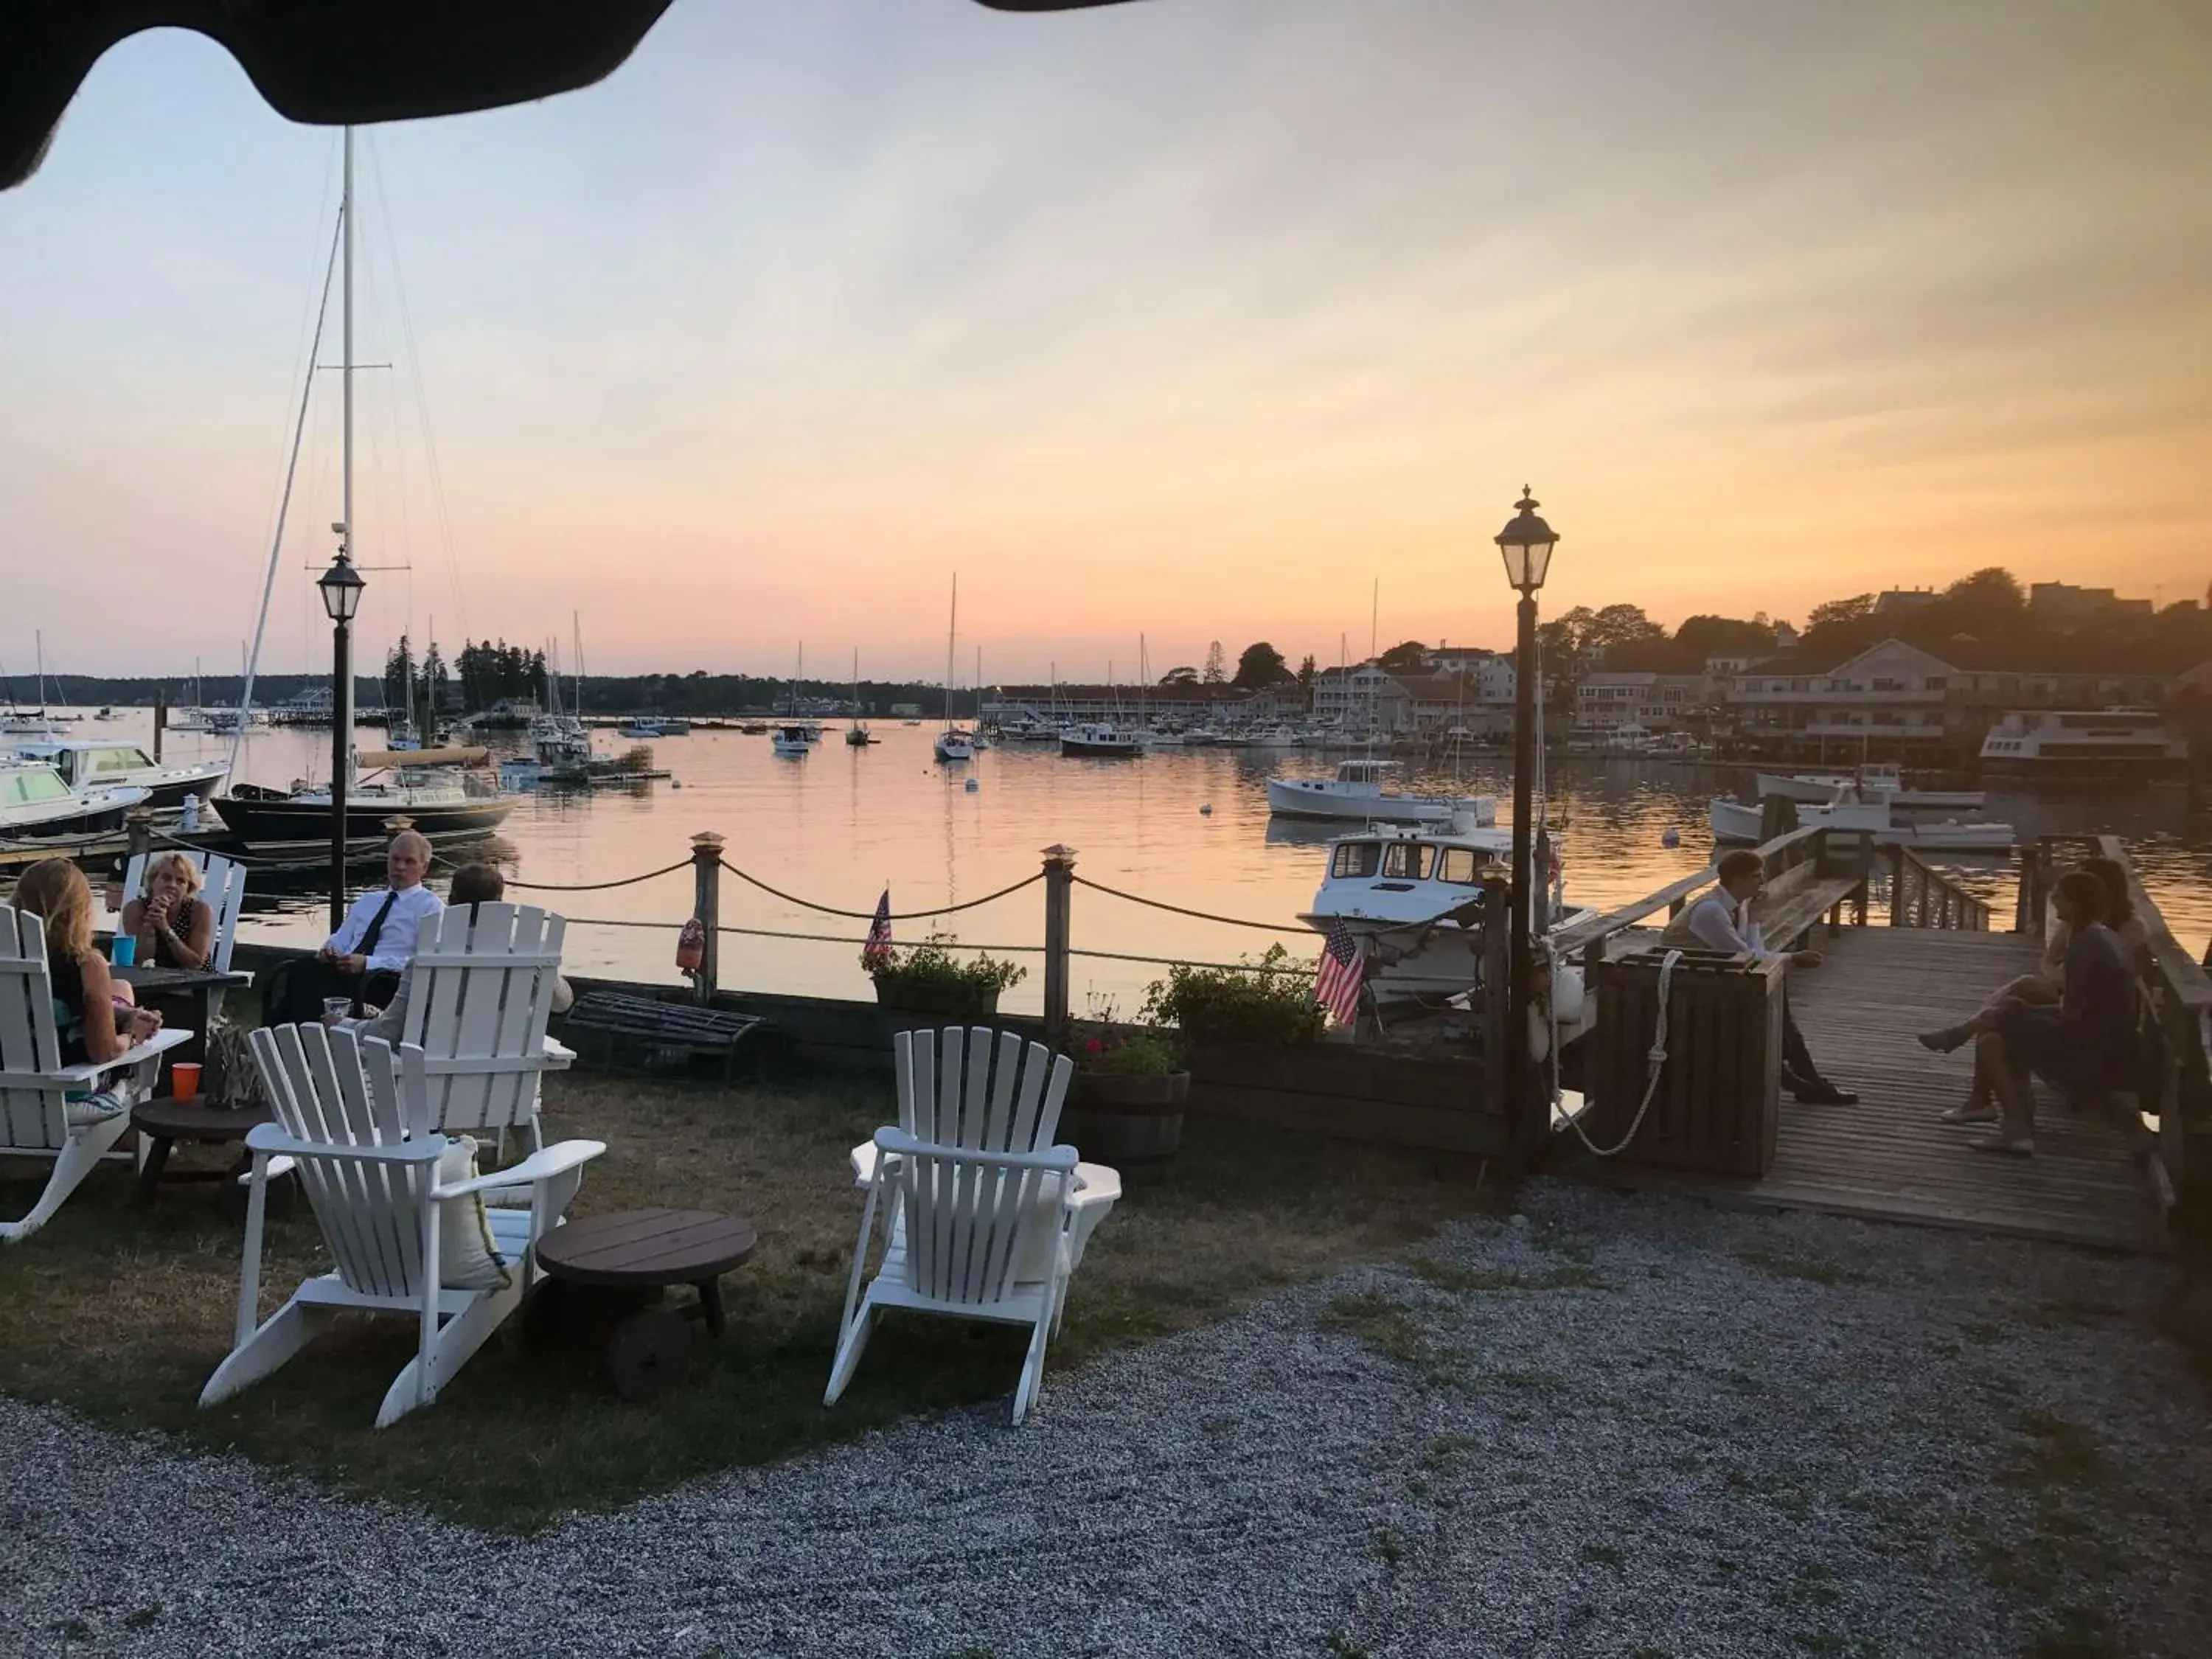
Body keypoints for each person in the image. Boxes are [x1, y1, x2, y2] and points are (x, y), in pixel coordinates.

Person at [1949, 870, 2139, 1155]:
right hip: (2112, 1045)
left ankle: (2012, 1126)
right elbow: (2083, 1011)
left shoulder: (2084, 947)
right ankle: (2014, 1125)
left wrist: (2025, 1015)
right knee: (2003, 1025)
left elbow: (2072, 1019)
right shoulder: (2103, 935)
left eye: (2059, 895)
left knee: (1994, 1033)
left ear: (2074, 904)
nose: (2053, 899)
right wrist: (2031, 1011)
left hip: (2095, 1057)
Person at [1660, 848, 1859, 1105]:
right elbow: (1746, 956)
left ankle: (1808, 1083)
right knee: (1772, 1014)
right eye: (1755, 876)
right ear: (1736, 879)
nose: (1762, 881)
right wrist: (1793, 958)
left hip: (1708, 979)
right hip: (1686, 987)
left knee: (1777, 1007)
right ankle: (1808, 1084)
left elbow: (1754, 954)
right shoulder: (1711, 911)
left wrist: (1753, 918)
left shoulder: (1736, 906)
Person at [331, 861, 571, 1042]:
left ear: (451, 900)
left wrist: (343, 1024)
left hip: (434, 1089)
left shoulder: (428, 960)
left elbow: (388, 1031)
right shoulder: (530, 953)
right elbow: (562, 1003)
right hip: (509, 1087)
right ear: (500, 902)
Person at [276, 830, 442, 1022]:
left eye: (409, 862)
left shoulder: (431, 907)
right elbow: (340, 939)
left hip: (384, 980)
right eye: (395, 859)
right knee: (302, 968)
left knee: (374, 985)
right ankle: (294, 1039)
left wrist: (368, 963)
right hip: (346, 972)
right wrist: (330, 952)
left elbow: (422, 961)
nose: (399, 867)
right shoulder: (368, 901)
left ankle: (310, 1037)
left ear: (424, 867)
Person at [11, 858, 161, 1065]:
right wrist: (131, 1036)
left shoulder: (9, 958)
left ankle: (125, 1012)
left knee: (120, 987)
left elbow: (48, 1006)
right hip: (69, 1087)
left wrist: (123, 1014)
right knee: (121, 988)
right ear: (79, 911)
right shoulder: (87, 963)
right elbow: (103, 1052)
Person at [121, 851, 215, 970]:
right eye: (166, 878)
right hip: (150, 978)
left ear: (188, 888)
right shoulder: (135, 909)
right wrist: (149, 925)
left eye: (181, 881)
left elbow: (195, 964)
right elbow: (140, 961)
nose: (173, 885)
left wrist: (165, 928)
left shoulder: (200, 911)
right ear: (153, 881)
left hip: (195, 981)